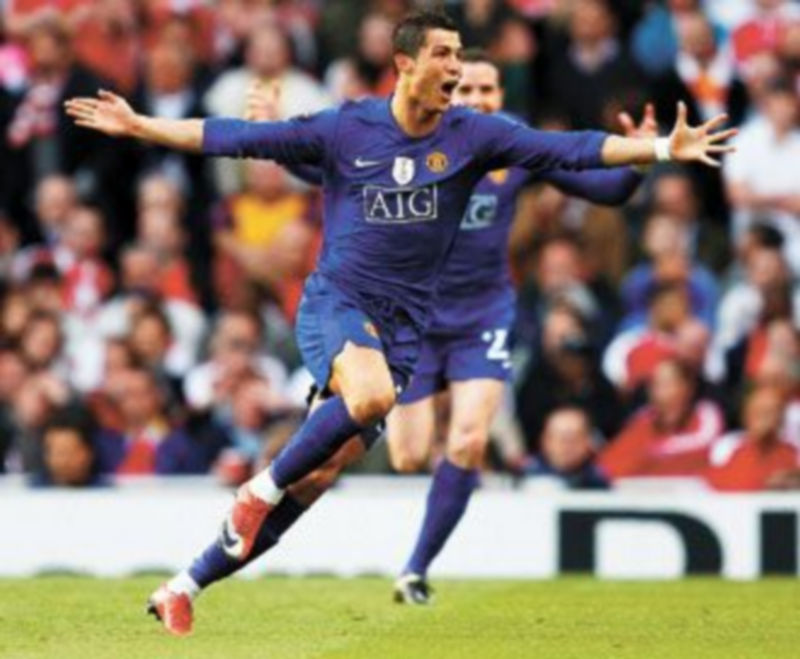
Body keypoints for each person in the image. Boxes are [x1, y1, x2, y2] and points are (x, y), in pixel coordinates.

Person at [65, 10, 734, 635]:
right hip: (338, 304)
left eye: (458, 58)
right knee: (369, 401)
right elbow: (233, 137)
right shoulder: (347, 126)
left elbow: (573, 150)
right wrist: (143, 125)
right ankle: (255, 488)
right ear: (406, 63)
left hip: (406, 330)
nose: (454, 69)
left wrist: (661, 153)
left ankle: (184, 584)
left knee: (319, 477)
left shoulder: (476, 136)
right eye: (443, 55)